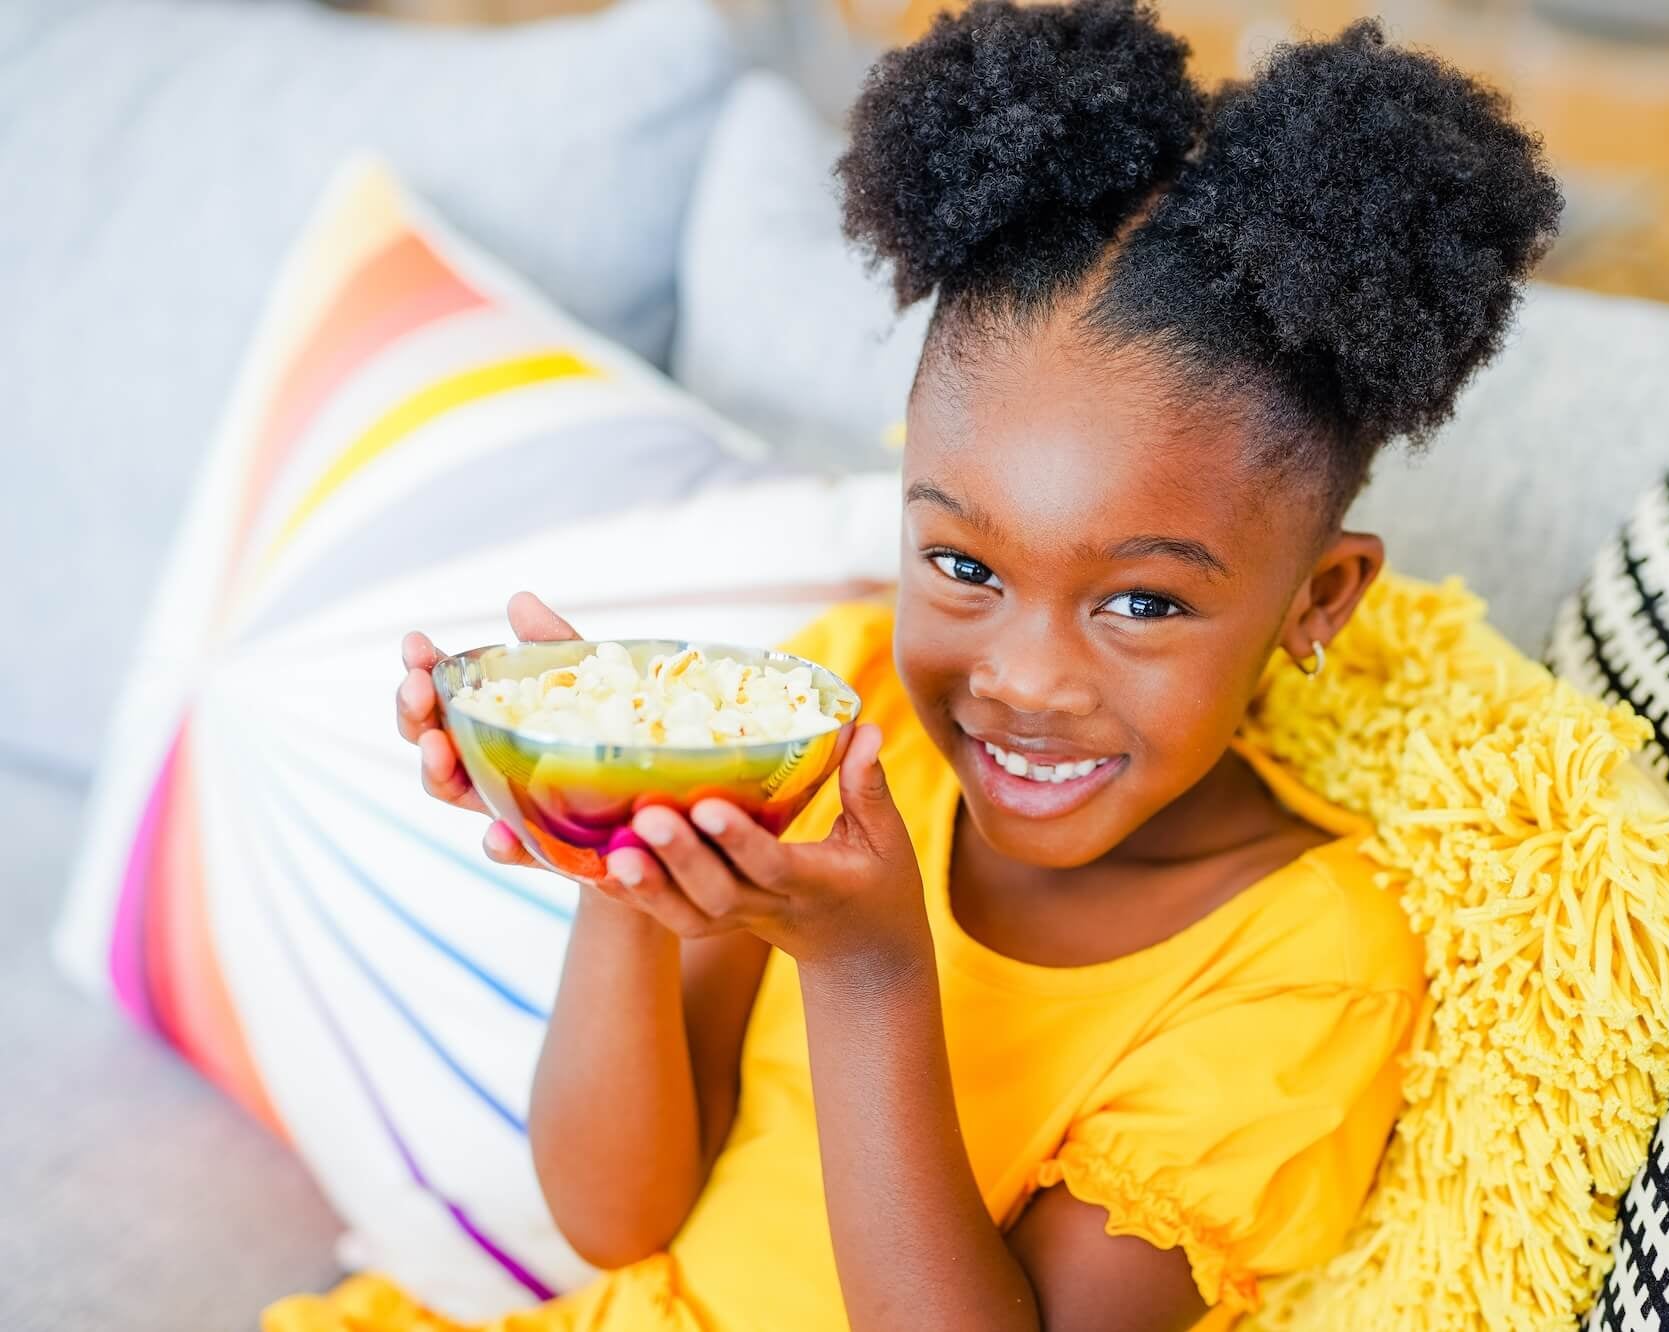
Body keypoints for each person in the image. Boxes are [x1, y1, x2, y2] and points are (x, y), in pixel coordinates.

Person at [267, 3, 1560, 1329]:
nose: (1028, 679)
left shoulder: (1302, 960)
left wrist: (868, 971)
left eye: (1140, 600)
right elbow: (613, 1220)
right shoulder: (839, 724)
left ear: (1316, 599)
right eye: (965, 568)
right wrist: (608, 824)